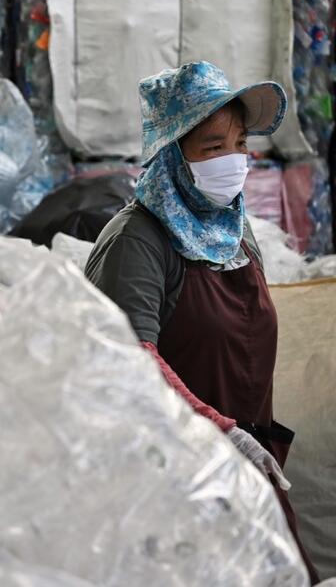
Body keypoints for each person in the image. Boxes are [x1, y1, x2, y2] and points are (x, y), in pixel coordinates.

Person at [84, 61, 319, 583]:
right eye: (214, 148)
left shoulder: (235, 230)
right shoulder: (137, 242)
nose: (234, 161)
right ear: (171, 156)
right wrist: (219, 432)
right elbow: (125, 362)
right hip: (177, 486)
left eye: (240, 143)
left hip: (254, 478)